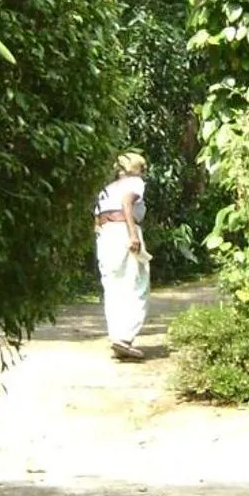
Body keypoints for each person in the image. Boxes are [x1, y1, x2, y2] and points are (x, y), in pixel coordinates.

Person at [94, 150, 150, 359]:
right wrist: (133, 235)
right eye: (141, 168)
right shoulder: (134, 183)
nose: (143, 172)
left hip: (106, 234)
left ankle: (116, 336)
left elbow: (97, 217)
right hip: (124, 230)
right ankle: (125, 337)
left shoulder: (106, 189)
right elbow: (127, 203)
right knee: (137, 283)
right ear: (133, 169)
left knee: (113, 285)